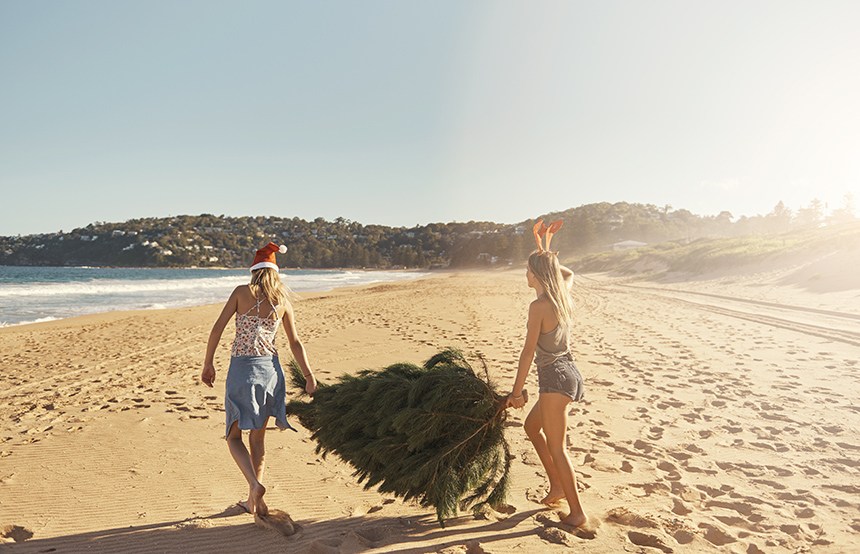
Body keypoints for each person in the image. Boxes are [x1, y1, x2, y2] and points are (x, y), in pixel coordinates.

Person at [201, 242, 317, 516]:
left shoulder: (242, 293)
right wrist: (309, 376)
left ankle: (254, 485)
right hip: (270, 373)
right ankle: (253, 499)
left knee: (233, 436)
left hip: (241, 369)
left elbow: (217, 328)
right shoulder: (283, 302)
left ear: (254, 270)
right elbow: (295, 342)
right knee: (258, 440)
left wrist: (208, 363)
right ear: (275, 272)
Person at [506, 219, 587, 528]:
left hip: (554, 378)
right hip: (568, 373)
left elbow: (528, 352)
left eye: (528, 269)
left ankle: (578, 512)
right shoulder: (561, 295)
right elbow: (568, 274)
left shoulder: (539, 305)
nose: (524, 274)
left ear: (536, 274)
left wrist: (516, 393)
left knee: (557, 447)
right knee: (531, 427)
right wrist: (547, 252)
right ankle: (556, 486)